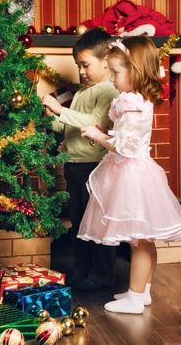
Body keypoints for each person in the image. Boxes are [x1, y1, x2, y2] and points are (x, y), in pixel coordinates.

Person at [78, 36, 181, 313]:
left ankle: (135, 297)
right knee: (144, 239)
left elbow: (126, 146)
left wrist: (98, 136)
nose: (112, 79)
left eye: (116, 72)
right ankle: (144, 291)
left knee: (138, 241)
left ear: (135, 71)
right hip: (135, 172)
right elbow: (127, 136)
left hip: (131, 175)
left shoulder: (132, 103)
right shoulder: (137, 99)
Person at [42, 28, 119, 290]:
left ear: (106, 61)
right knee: (78, 223)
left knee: (96, 224)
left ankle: (102, 274)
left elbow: (94, 124)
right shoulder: (84, 92)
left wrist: (61, 110)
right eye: (78, 66)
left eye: (86, 65)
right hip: (73, 165)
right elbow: (67, 127)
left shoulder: (108, 91)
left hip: (95, 167)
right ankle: (81, 269)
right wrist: (51, 117)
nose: (82, 71)